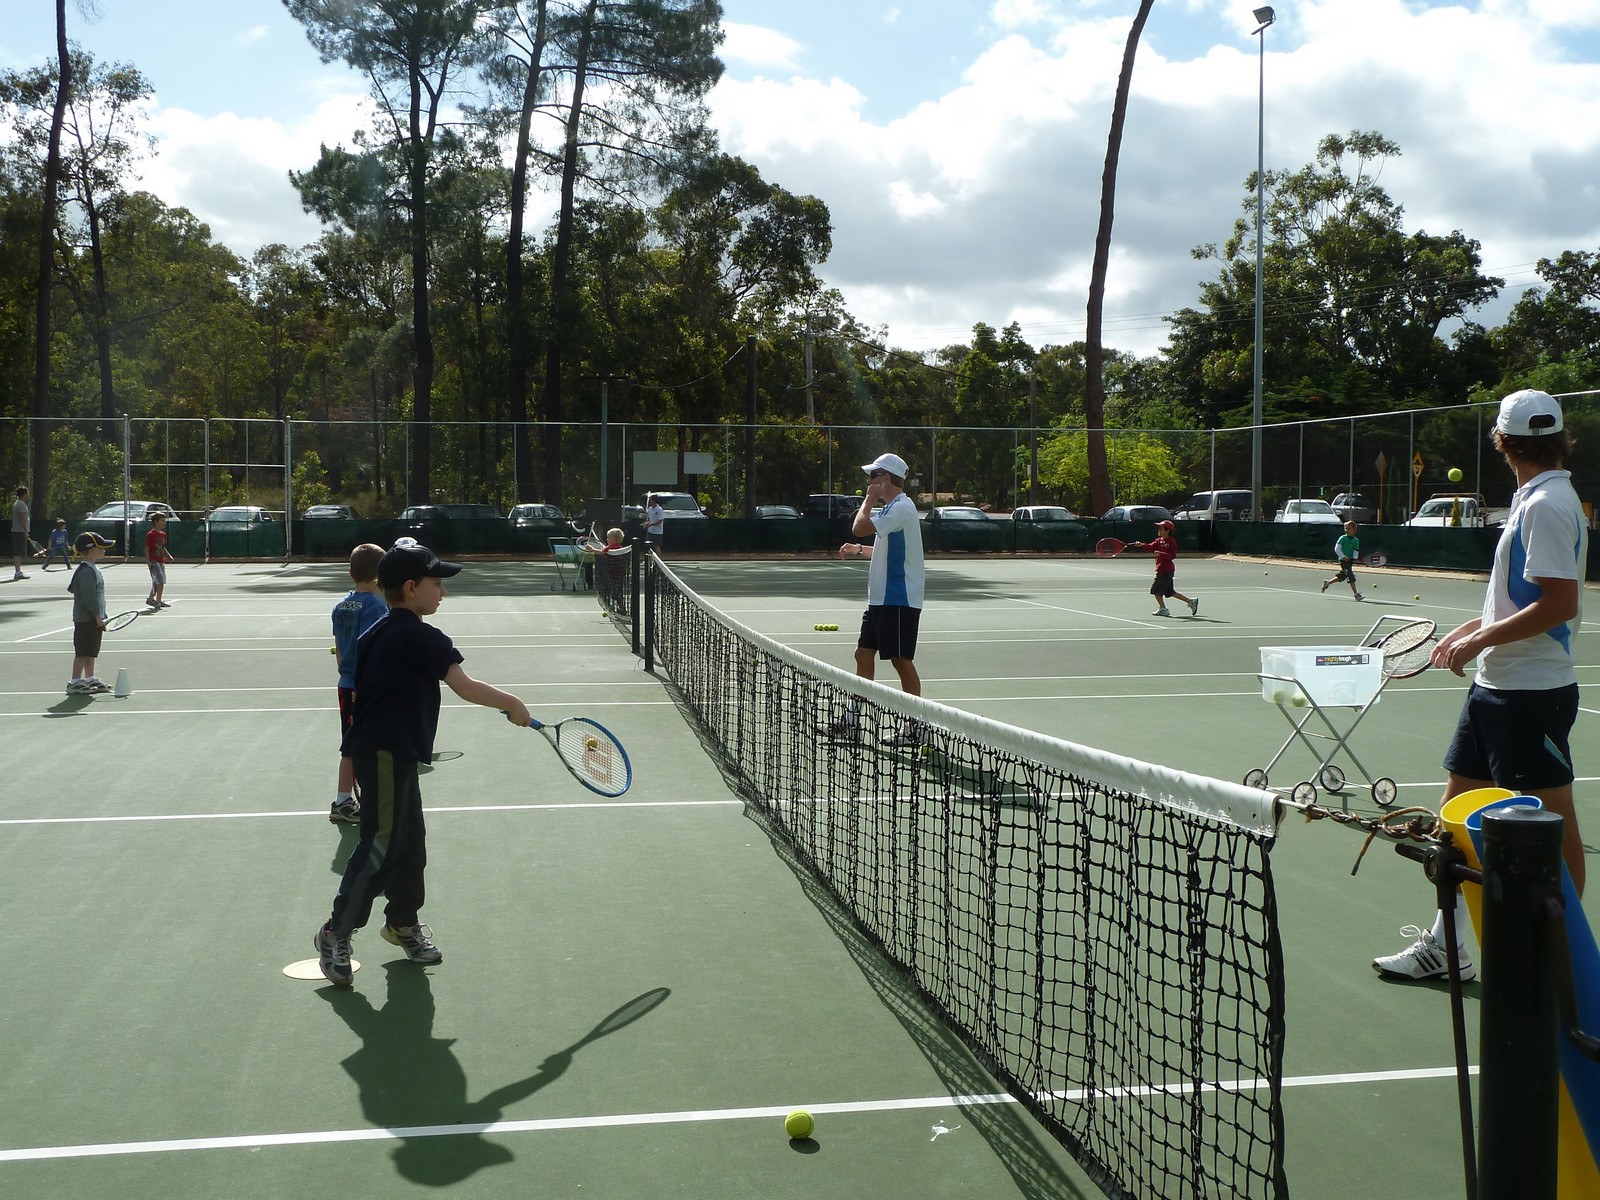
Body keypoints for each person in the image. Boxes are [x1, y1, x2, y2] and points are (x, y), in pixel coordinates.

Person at [1374, 389, 1587, 982]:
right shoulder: (1534, 499)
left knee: (1552, 824)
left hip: (1531, 693)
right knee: (1457, 817)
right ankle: (1450, 947)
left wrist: (1479, 641)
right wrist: (1475, 628)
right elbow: (1523, 597)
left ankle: (1565, 955)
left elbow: (1560, 604)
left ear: (1502, 441)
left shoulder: (1548, 505)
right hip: (1498, 687)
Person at [313, 542, 532, 988]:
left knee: (410, 843)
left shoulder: (373, 633)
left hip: (392, 754)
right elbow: (464, 685)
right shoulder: (422, 637)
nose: (443, 593)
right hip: (384, 753)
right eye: (437, 584)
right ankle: (336, 931)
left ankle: (402, 923)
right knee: (382, 843)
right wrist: (512, 703)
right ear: (411, 588)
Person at [834, 452, 925, 744]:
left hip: (898, 598)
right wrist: (860, 550)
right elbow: (888, 550)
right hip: (881, 599)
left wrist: (869, 499)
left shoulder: (902, 508)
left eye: (873, 476)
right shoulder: (893, 510)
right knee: (863, 654)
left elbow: (859, 527)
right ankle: (851, 721)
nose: (869, 481)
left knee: (901, 660)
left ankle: (916, 727)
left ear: (885, 478)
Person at [328, 543, 389, 825]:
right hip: (365, 686)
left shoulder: (340, 605)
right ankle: (349, 802)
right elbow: (373, 649)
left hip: (346, 683)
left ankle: (345, 799)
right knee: (364, 747)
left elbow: (340, 650)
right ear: (381, 575)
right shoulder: (377, 606)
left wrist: (347, 674)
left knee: (350, 745)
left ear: (350, 572)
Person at [66, 531, 116, 694]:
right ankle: (74, 682)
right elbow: (88, 596)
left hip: (93, 618)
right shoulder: (87, 571)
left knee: (91, 651)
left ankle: (89, 678)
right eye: (101, 547)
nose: (104, 549)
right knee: (82, 652)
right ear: (92, 549)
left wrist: (101, 615)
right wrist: (97, 616)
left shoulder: (91, 569)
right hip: (86, 619)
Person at [1130, 520, 1199, 617]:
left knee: (1156, 591)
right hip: (1161, 569)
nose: (1159, 530)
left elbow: (1172, 556)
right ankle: (1191, 602)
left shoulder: (1171, 541)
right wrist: (1142, 545)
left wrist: (1161, 554)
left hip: (1166, 570)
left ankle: (1163, 609)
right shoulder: (1159, 540)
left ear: (1167, 530)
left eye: (1161, 528)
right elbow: (1151, 547)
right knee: (1170, 592)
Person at [1320, 520, 1364, 601]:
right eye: (1346, 528)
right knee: (1350, 576)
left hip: (1349, 562)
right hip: (1343, 562)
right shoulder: (1343, 538)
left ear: (1354, 530)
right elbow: (1337, 549)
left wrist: (1355, 558)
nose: (1347, 530)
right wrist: (1343, 556)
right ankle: (1356, 594)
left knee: (1343, 576)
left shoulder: (1356, 540)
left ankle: (1327, 582)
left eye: (1349, 528)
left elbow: (1355, 551)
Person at [144, 512, 176, 608]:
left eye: (164, 521)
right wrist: (149, 562)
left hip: (161, 560)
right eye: (162, 521)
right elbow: (146, 549)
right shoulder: (151, 534)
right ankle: (158, 601)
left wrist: (169, 556)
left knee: (157, 582)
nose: (164, 523)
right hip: (154, 561)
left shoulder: (163, 534)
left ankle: (151, 599)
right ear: (155, 522)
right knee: (160, 581)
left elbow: (162, 547)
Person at [11, 485, 30, 581]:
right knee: (18, 553)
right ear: (24, 494)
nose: (28, 495)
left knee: (18, 552)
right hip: (19, 532)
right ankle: (18, 572)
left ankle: (18, 572)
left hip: (17, 531)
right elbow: (23, 519)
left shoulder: (17, 503)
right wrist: (25, 531)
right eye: (27, 493)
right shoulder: (21, 504)